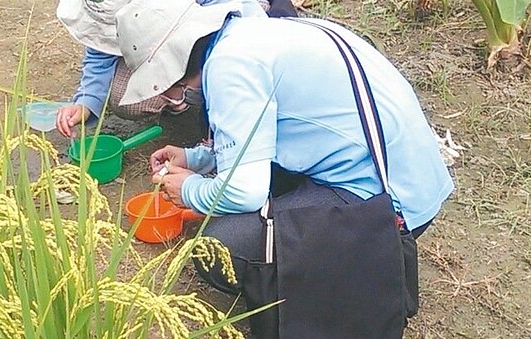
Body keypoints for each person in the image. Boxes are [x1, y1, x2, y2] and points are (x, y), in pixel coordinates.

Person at [114, 0, 454, 336]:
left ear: (174, 64)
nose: (173, 97)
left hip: (392, 210)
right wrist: (197, 159)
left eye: (167, 87)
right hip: (416, 179)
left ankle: (333, 278)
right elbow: (271, 133)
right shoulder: (256, 33)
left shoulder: (231, 67)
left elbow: (245, 191)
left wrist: (189, 190)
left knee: (218, 249)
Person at [54, 0, 297, 138]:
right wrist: (85, 102)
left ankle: (206, 108)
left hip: (239, 23)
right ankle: (184, 100)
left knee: (227, 84)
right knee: (127, 99)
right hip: (177, 37)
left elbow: (239, 22)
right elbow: (100, 50)